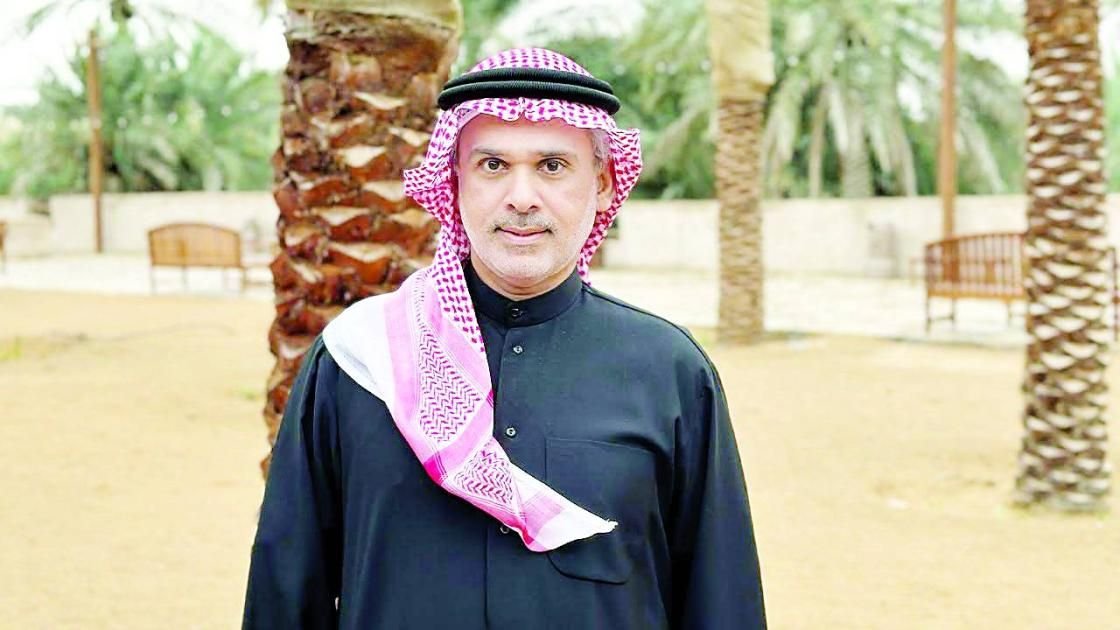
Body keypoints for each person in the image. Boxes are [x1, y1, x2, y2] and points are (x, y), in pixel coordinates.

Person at [242, 47, 765, 629]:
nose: (521, 197)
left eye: (552, 166)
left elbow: (721, 601)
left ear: (601, 183)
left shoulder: (668, 369)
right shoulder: (357, 361)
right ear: (454, 181)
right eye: (492, 165)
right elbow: (286, 592)